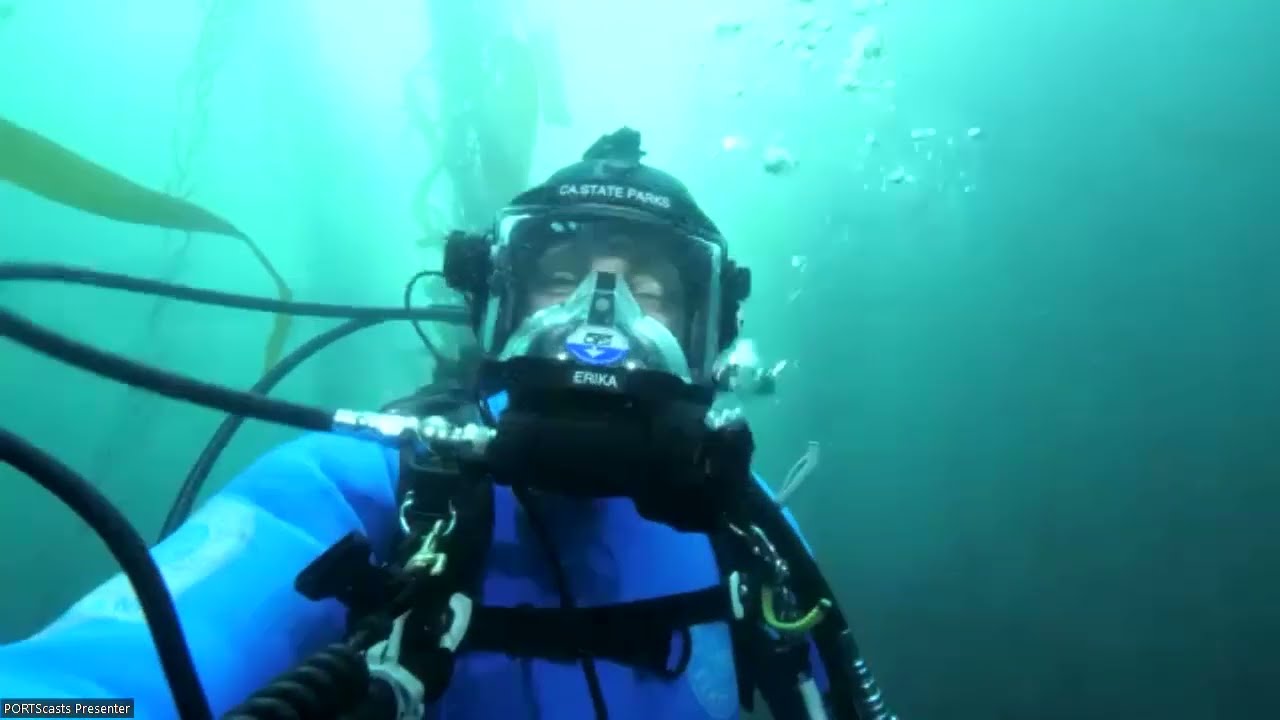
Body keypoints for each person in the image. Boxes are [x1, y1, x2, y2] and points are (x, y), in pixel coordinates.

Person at [0, 128, 828, 720]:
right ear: (494, 300)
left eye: (648, 292)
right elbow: (102, 675)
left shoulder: (747, 528)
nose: (598, 322)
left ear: (709, 327)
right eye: (561, 279)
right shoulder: (366, 480)